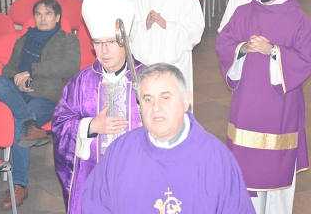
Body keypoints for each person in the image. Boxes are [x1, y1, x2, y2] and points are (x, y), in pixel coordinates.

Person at [82, 63, 255, 214]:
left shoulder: (216, 158)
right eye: (147, 99)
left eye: (165, 97)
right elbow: (94, 205)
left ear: (186, 101)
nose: (156, 107)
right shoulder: (119, 153)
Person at [216, 0, 311, 213]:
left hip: (281, 106)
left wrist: (273, 51)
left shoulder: (299, 18)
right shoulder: (243, 12)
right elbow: (223, 43)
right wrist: (243, 47)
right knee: (246, 172)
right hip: (247, 105)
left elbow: (306, 57)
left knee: (278, 172)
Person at [52, 0, 144, 214]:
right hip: (92, 179)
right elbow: (60, 124)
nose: (103, 51)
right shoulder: (81, 82)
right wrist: (91, 125)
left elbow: (174, 126)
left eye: (110, 43)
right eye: (98, 43)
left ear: (127, 41)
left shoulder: (150, 78)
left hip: (138, 179)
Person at [0, 0, 80, 209]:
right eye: (39, 14)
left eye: (48, 14)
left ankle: (20, 184)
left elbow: (69, 66)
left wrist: (31, 72)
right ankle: (31, 124)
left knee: (17, 123)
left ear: (57, 17)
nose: (42, 18)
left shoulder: (68, 40)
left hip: (46, 97)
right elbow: (9, 69)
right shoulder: (24, 40)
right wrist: (18, 82)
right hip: (20, 94)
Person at [127, 0, 204, 94]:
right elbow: (126, 31)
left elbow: (195, 31)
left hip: (175, 67)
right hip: (144, 66)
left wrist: (167, 25)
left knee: (172, 112)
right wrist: (145, 25)